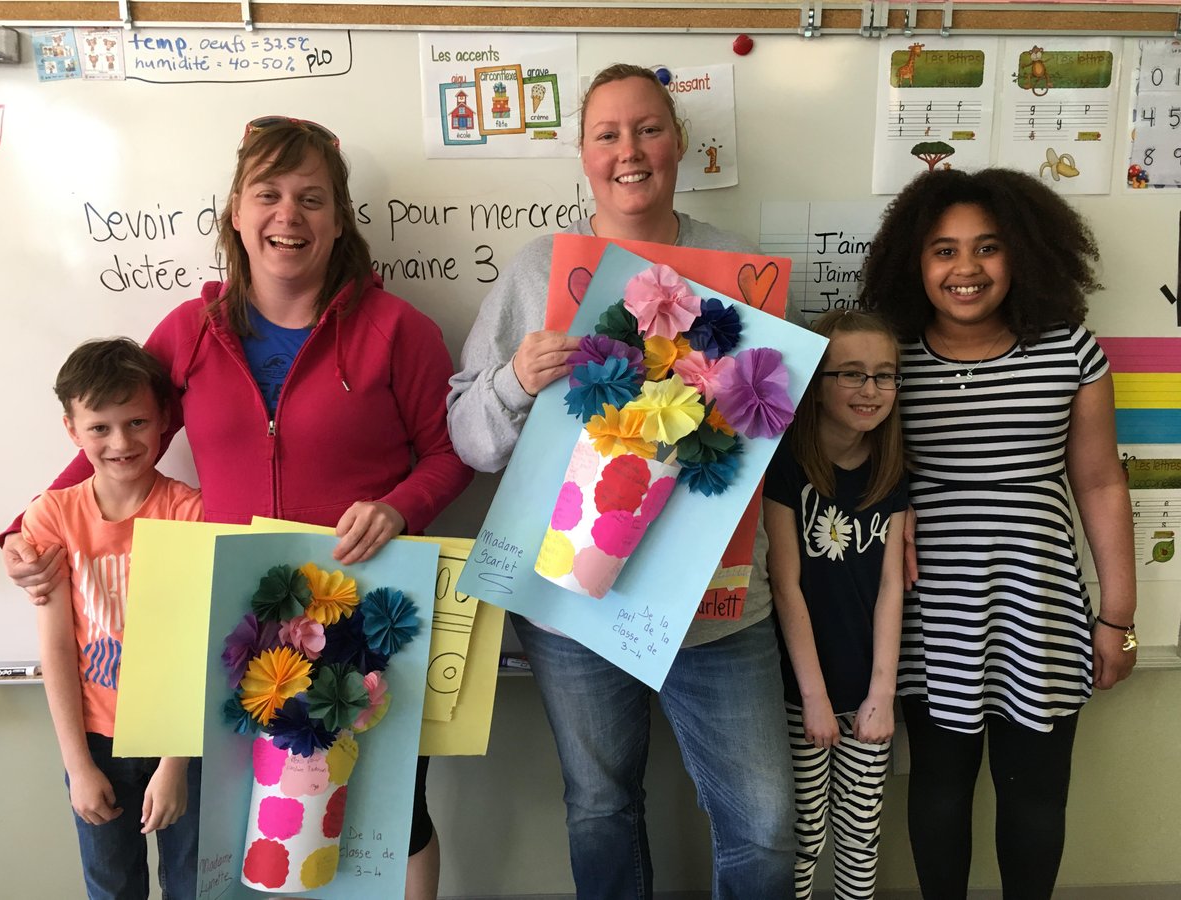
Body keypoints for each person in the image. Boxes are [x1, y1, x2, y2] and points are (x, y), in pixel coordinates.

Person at [1, 116, 473, 900]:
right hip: (233, 623)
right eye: (270, 194)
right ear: (236, 210)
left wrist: (397, 507)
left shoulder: (400, 332)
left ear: (339, 218)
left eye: (311, 198)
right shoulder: (191, 333)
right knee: (249, 819)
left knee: (390, 807)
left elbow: (451, 455)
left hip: (366, 608)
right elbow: (115, 436)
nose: (289, 215)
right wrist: (32, 526)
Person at [447, 63, 797, 899]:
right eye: (607, 133)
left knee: (766, 822)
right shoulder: (540, 271)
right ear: (582, 152)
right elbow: (468, 438)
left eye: (647, 129)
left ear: (680, 142)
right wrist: (514, 383)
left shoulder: (742, 269)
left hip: (717, 602)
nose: (629, 150)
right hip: (574, 599)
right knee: (600, 808)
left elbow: (779, 436)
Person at [859, 167, 1137, 899]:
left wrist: (1119, 616)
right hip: (929, 613)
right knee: (940, 792)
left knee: (1036, 795)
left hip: (1037, 608)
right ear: (914, 264)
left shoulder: (1069, 350)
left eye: (987, 247)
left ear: (1022, 252)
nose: (966, 268)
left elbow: (1102, 482)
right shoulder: (890, 360)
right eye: (943, 250)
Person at [26, 337, 204, 900]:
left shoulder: (191, 511)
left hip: (181, 740)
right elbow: (55, 648)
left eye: (136, 422)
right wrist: (77, 765)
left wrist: (175, 762)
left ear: (162, 422)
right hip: (95, 742)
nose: (121, 442)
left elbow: (200, 640)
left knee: (195, 885)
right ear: (72, 431)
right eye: (99, 427)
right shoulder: (52, 514)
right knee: (112, 888)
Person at [763, 310, 907, 900]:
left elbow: (892, 587)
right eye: (851, 374)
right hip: (801, 690)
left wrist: (880, 695)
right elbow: (785, 585)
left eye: (884, 376)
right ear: (817, 385)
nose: (870, 390)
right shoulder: (785, 466)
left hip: (867, 691)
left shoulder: (892, 468)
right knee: (803, 832)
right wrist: (815, 699)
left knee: (859, 833)